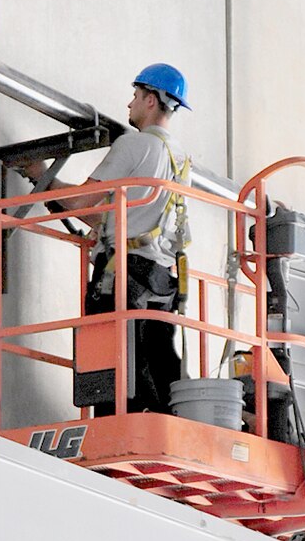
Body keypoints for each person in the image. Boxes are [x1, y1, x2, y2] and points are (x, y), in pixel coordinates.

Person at [24, 63, 193, 416]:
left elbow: (80, 203)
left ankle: (126, 425)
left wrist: (42, 176)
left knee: (112, 367)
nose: (129, 104)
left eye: (135, 96)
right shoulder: (180, 159)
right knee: (153, 358)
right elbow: (104, 216)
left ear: (150, 99)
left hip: (122, 277)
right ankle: (167, 420)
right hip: (160, 280)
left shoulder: (135, 145)